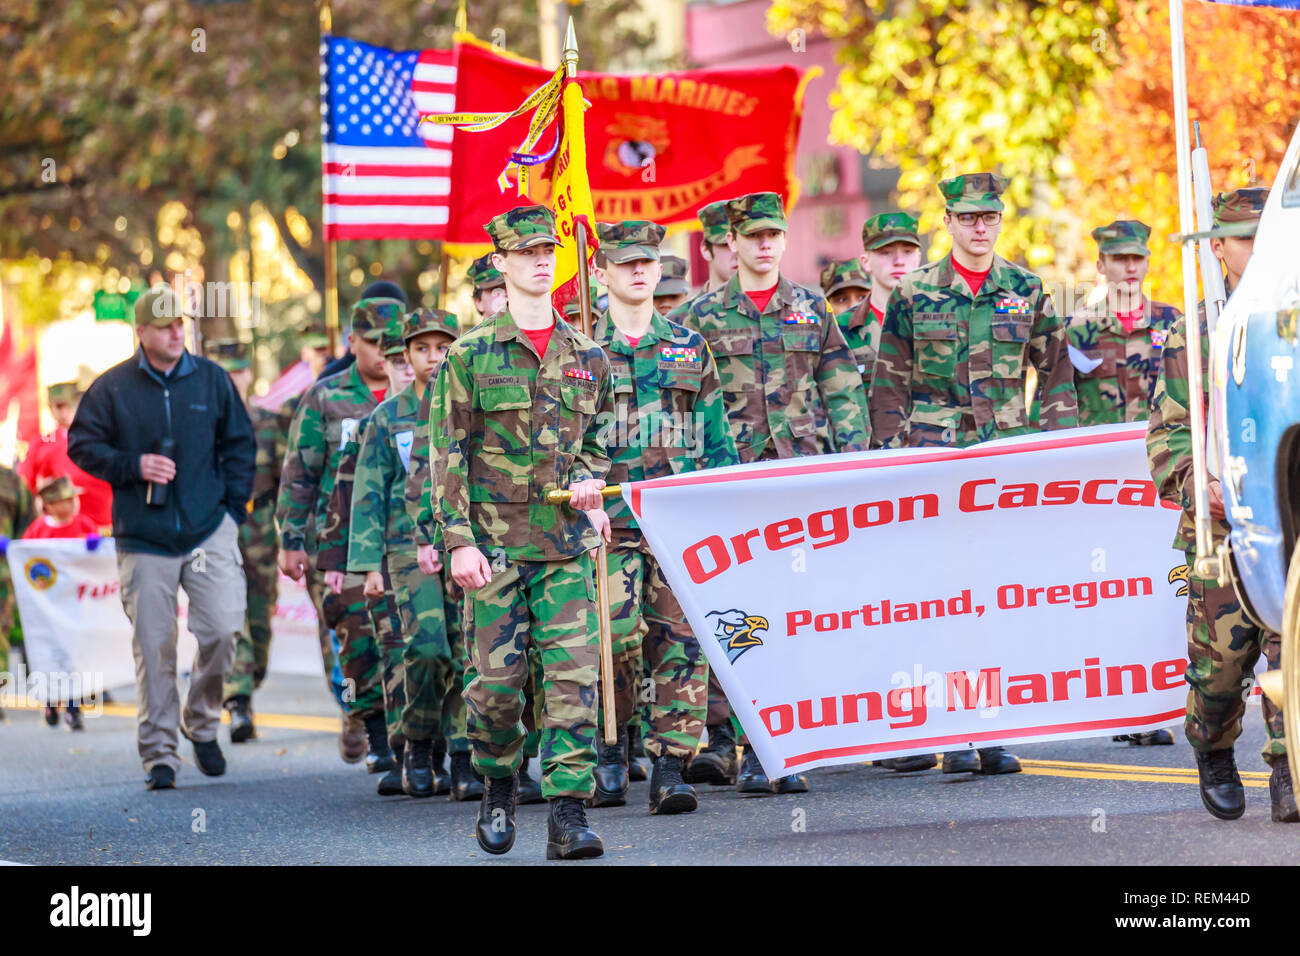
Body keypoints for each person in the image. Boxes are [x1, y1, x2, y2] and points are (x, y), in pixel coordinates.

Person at [869, 172, 1078, 776]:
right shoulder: (915, 294)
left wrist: (1056, 448)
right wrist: (891, 460)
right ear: (949, 222)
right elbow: (890, 384)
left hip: (1005, 459)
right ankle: (948, 727)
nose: (980, 228)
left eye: (989, 217)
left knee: (997, 596)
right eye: (968, 218)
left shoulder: (1027, 288)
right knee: (939, 595)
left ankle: (991, 728)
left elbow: (1057, 372)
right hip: (935, 461)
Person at [669, 190, 870, 796]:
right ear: (731, 242)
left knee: (794, 610)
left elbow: (842, 390)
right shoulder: (699, 317)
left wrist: (855, 462)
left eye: (773, 234)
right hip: (731, 484)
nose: (763, 244)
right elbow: (679, 405)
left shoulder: (812, 309)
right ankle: (742, 740)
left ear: (784, 239)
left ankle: (781, 742)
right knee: (737, 613)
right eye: (751, 235)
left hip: (797, 480)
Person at [430, 203, 612, 859]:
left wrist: (592, 486)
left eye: (550, 249)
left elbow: (598, 443)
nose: (543, 259)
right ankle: (500, 782)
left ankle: (568, 815)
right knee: (497, 693)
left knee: (572, 682)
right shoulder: (469, 356)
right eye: (527, 251)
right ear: (500, 264)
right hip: (495, 552)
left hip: (564, 549)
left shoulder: (589, 356)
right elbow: (446, 456)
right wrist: (459, 541)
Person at [68, 286, 255, 790]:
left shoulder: (212, 381)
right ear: (142, 333)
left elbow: (240, 445)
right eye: (167, 326)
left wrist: (232, 513)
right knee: (155, 648)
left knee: (222, 630)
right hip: (144, 537)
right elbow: (81, 445)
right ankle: (160, 755)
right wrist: (132, 466)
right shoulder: (113, 388)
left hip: (207, 528)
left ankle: (201, 721)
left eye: (182, 324)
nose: (178, 332)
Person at [1147, 186, 1292, 823]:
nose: (1257, 250)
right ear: (1220, 249)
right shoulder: (1198, 328)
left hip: (1286, 520)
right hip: (1219, 527)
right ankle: (1212, 747)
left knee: (1291, 652)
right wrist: (1192, 482)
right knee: (1220, 669)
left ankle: (1289, 769)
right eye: (1243, 239)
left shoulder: (1290, 317)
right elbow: (1169, 429)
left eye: (1269, 236)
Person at [590, 219, 740, 814]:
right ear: (601, 273)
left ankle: (671, 767)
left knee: (680, 643)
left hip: (676, 524)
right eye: (624, 262)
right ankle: (610, 746)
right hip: (609, 525)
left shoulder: (687, 346)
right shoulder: (579, 351)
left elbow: (716, 438)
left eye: (647, 261)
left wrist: (722, 509)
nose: (637, 270)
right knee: (614, 641)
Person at [406, 253, 532, 803]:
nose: (432, 357)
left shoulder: (568, 355)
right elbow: (440, 465)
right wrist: (443, 541)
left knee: (551, 670)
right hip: (454, 543)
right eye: (420, 348)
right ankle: (439, 750)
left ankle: (554, 791)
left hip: (541, 542)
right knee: (441, 653)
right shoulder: (465, 363)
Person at [278, 297, 399, 770]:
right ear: (353, 343)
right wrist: (290, 539)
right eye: (374, 343)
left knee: (408, 641)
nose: (385, 353)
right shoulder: (326, 398)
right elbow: (300, 473)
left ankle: (406, 736)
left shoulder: (421, 392)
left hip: (405, 540)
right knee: (354, 640)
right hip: (338, 544)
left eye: (393, 343)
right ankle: (364, 719)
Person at [351, 308, 460, 798]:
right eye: (422, 349)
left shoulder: (466, 404)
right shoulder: (385, 417)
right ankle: (417, 743)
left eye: (442, 347)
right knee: (428, 647)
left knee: (466, 649)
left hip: (463, 543)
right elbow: (368, 493)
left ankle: (463, 755)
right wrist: (368, 565)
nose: (433, 358)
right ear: (407, 355)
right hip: (403, 548)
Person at [23, 475, 98, 730]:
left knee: (74, 657)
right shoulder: (38, 530)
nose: (70, 504)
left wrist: (95, 545)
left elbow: (98, 558)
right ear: (50, 505)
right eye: (64, 500)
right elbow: (25, 558)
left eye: (71, 499)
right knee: (49, 655)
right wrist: (11, 548)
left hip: (75, 605)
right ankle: (50, 701)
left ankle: (74, 708)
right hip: (46, 607)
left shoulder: (84, 524)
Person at [838, 212, 924, 397]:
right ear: (866, 262)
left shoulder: (940, 321)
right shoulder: (840, 329)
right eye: (886, 252)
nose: (899, 261)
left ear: (918, 259)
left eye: (907, 251)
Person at [18, 382, 113, 530]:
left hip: (106, 527)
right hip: (64, 532)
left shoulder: (105, 437)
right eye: (56, 407)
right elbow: (23, 485)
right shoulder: (43, 443)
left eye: (68, 405)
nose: (63, 412)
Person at [0, 463, 36, 722]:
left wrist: (16, 549)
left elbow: (28, 524)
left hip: (2, 573)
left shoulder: (11, 481)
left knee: (1, 634)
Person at [692, 199, 738, 298]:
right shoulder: (688, 313)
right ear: (706, 250)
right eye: (727, 245)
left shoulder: (772, 311)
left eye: (743, 244)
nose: (737, 252)